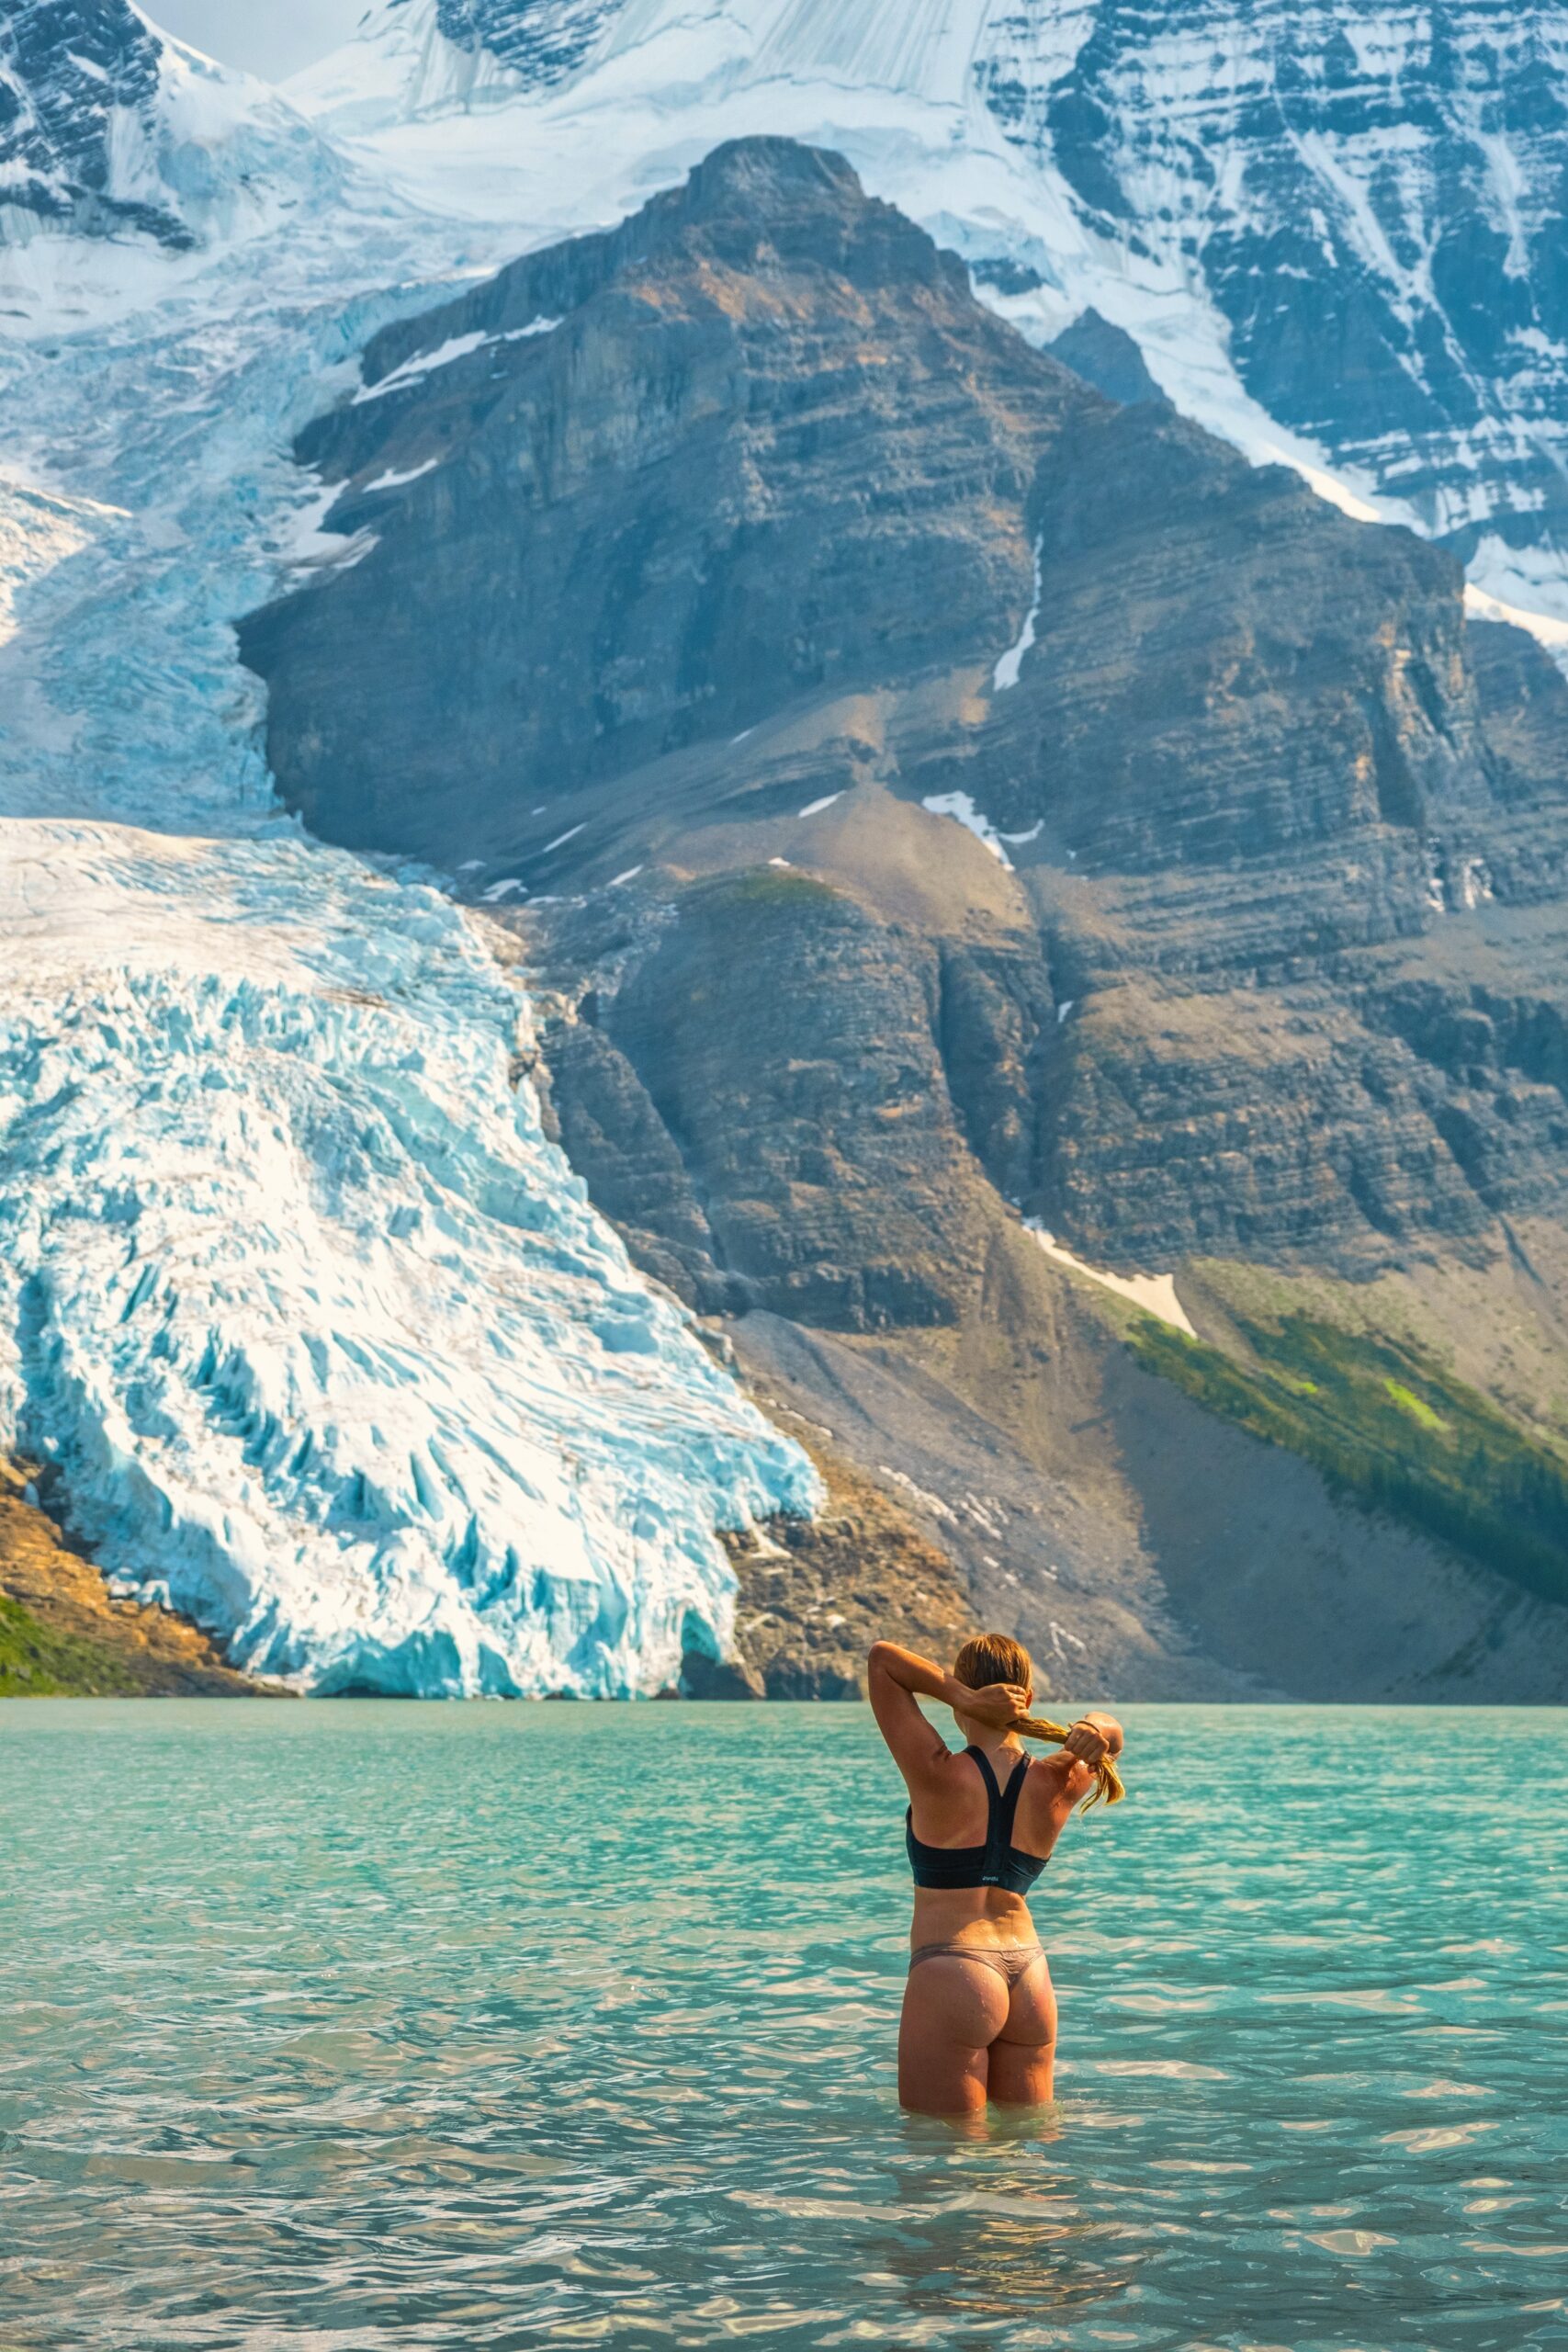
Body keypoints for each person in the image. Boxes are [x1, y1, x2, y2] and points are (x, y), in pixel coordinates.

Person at [867, 1633, 1124, 2119]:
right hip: (1030, 1976)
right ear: (1028, 1700)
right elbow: (1113, 1733)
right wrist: (1092, 1725)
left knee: (941, 2168)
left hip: (954, 1970)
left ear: (958, 1697)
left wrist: (961, 1696)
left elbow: (883, 1660)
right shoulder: (1059, 1778)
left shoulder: (936, 1772)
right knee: (1029, 2162)